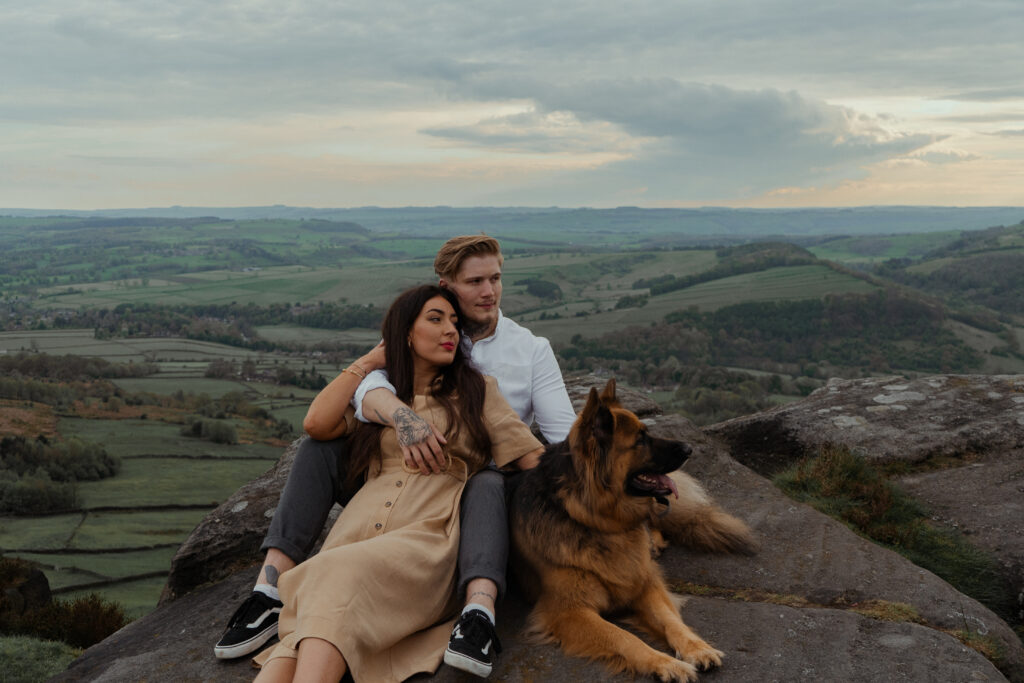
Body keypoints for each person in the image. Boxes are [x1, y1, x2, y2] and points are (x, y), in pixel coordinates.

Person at [215, 235, 576, 677]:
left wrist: (608, 493)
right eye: (475, 281)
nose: (489, 291)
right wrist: (377, 376)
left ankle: (478, 612)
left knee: (483, 484)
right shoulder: (392, 378)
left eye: (496, 279)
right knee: (294, 643)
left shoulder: (496, 378)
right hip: (367, 520)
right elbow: (322, 420)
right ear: (445, 287)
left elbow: (547, 454)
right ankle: (268, 592)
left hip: (450, 510)